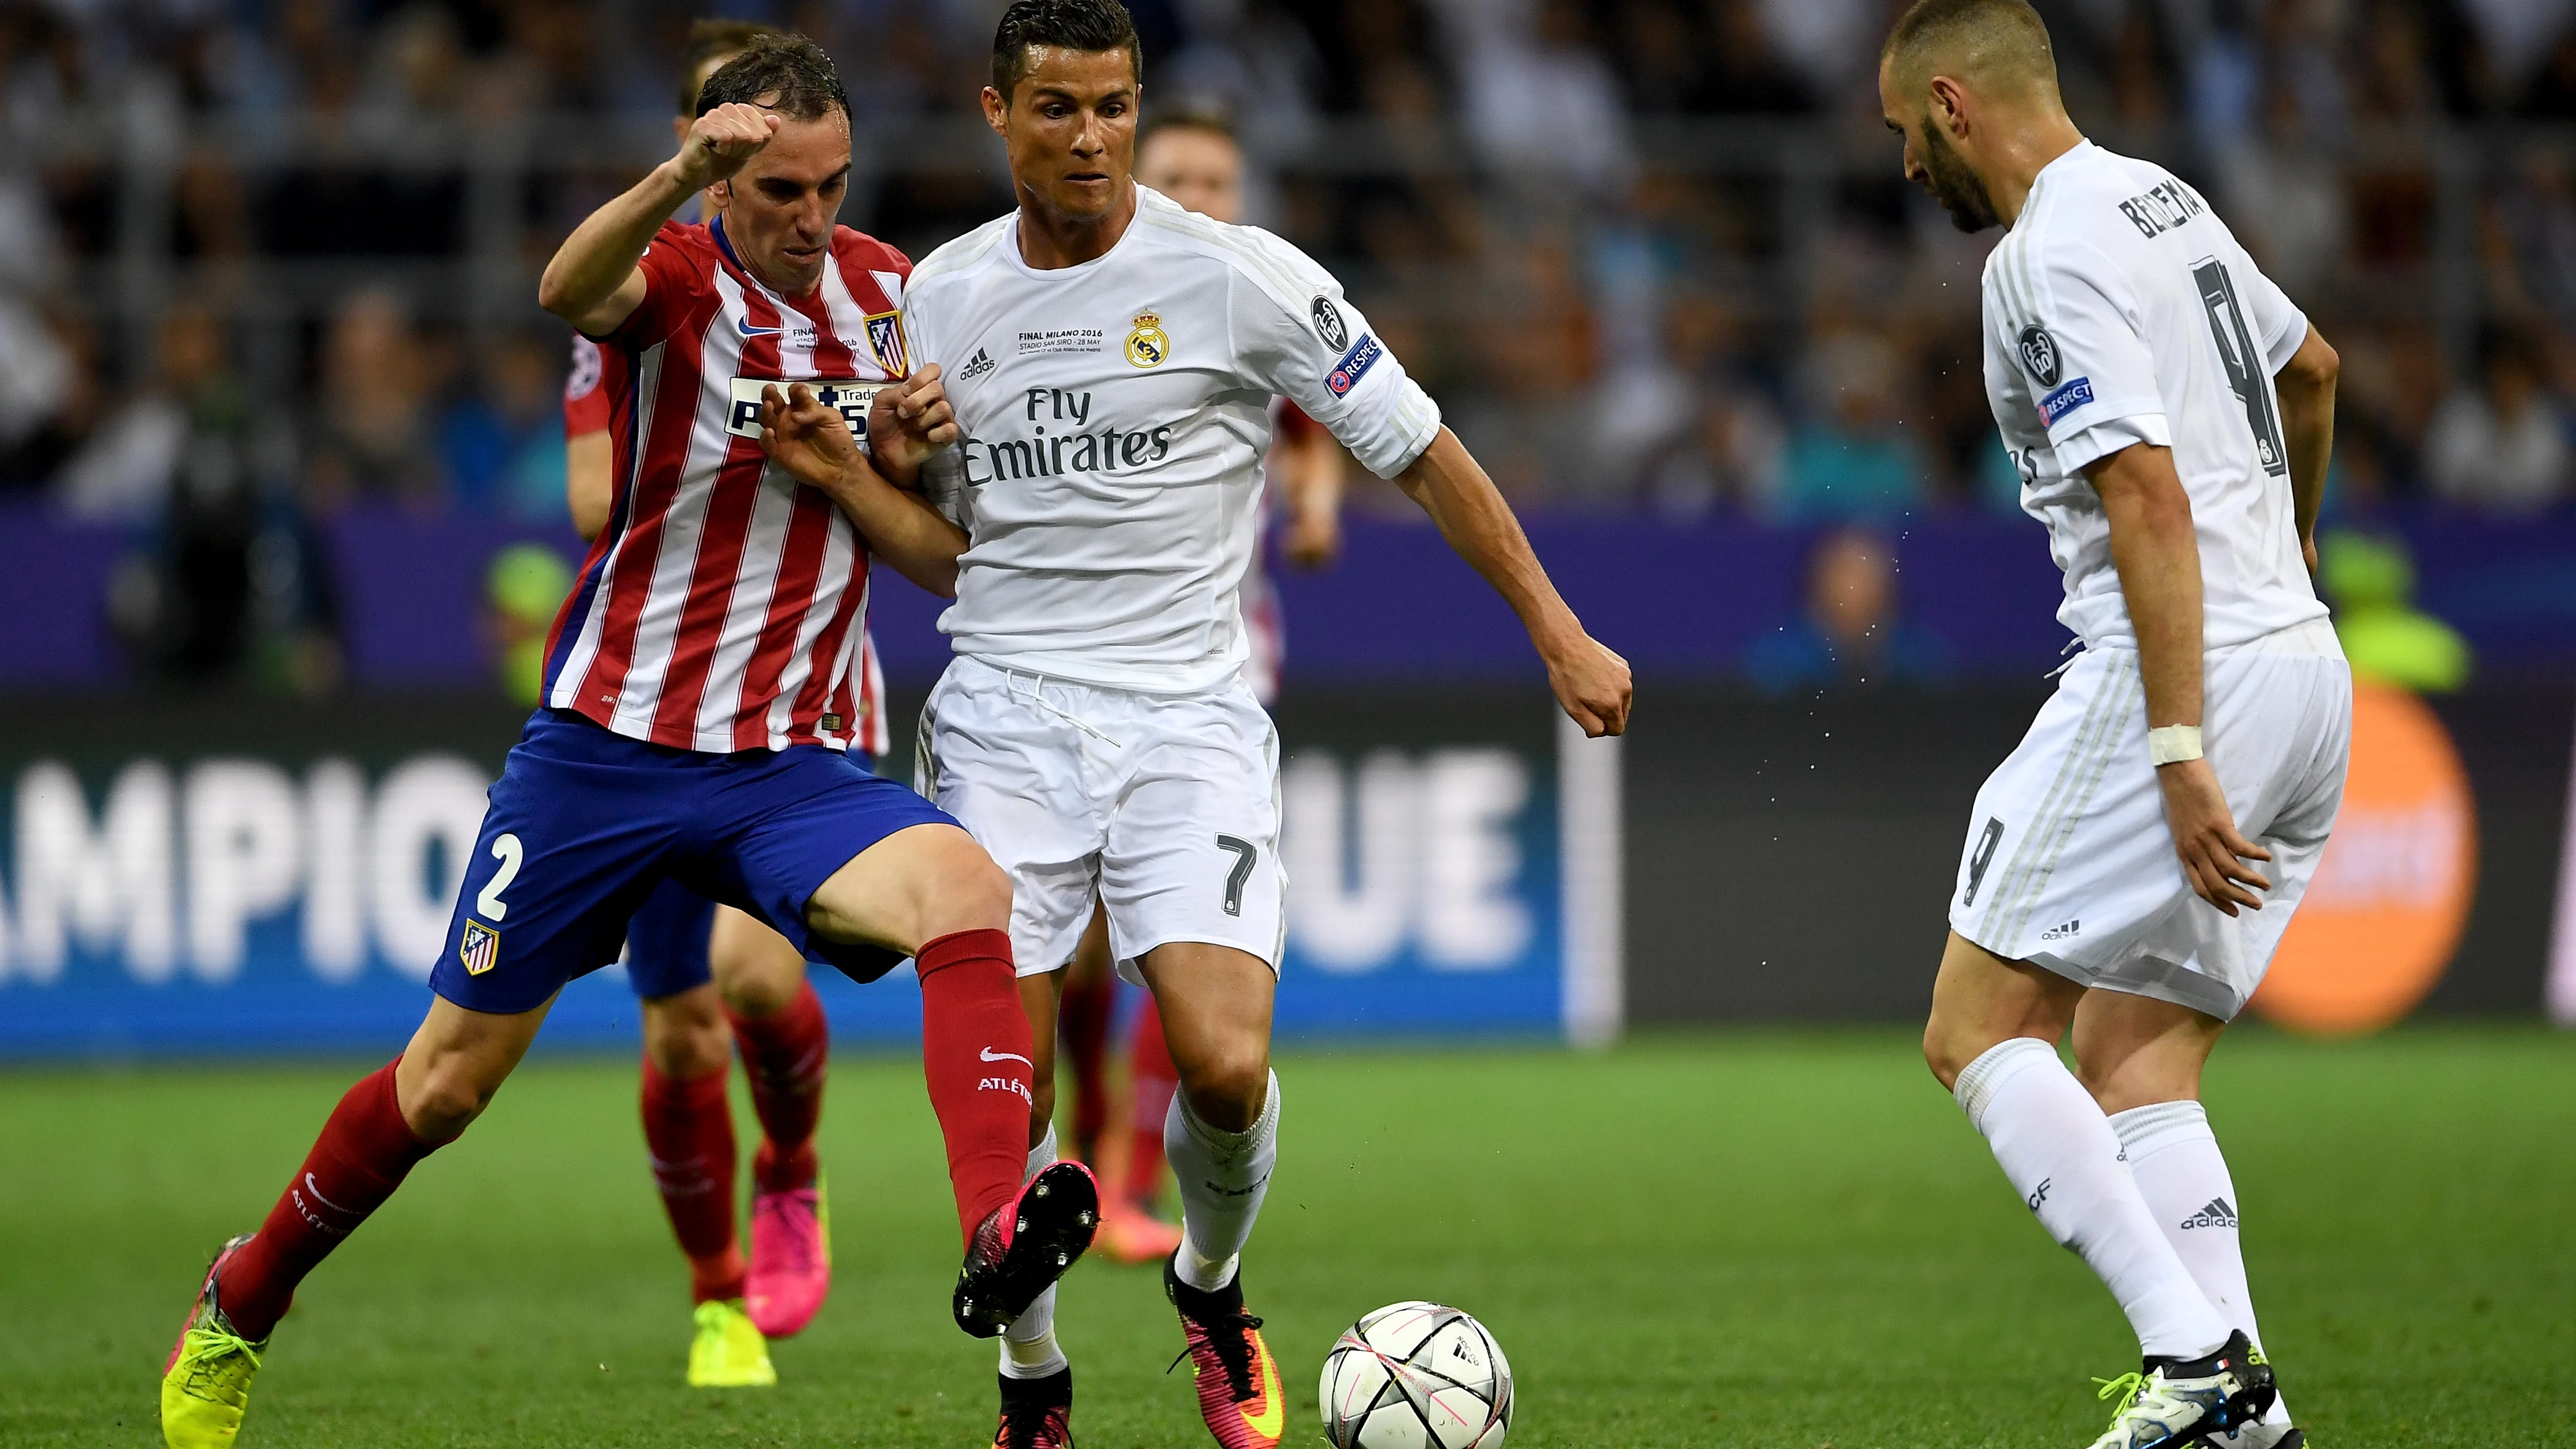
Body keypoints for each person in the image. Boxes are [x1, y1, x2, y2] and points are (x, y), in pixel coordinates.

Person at [157, 37, 1098, 1449]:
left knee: (970, 893)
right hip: (604, 751)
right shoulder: (677, 280)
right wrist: (677, 179)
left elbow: (947, 549)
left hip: (784, 761)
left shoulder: (898, 300)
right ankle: (242, 1296)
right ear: (725, 176)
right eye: (780, 187)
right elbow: (563, 290)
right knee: (446, 1086)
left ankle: (991, 1235)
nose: (810, 216)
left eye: (832, 184)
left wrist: (905, 451)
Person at [755, 6, 1632, 1446]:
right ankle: (1032, 1377)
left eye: (1112, 106)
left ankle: (1211, 1287)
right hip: (1005, 720)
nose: (1089, 137)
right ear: (999, 113)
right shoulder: (941, 301)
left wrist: (1555, 622)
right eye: (1058, 110)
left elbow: (1419, 448)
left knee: (1225, 1065)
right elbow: (948, 556)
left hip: (1189, 721)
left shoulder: (1241, 280)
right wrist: (872, 473)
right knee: (1012, 1076)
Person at [1879, 2, 2347, 1446]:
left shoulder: (2042, 255)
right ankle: (2246, 1408)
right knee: (2139, 1051)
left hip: (2186, 677)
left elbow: (2143, 493)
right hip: (2306, 666)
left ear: (1955, 105)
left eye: (1906, 134)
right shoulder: (2167, 198)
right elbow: (2315, 368)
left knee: (1971, 1029)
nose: (1907, 170)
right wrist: (2295, 561)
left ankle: (2194, 1364)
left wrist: (2179, 742)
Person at [557, 18, 883, 1388]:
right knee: (677, 1014)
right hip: (655, 693)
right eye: (737, 162)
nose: (787, 200)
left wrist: (868, 456)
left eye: (815, 177)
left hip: (808, 694)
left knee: (757, 976)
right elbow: (590, 499)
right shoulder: (648, 302)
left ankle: (793, 1176)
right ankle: (715, 1302)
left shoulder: (874, 299)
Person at [1052, 105, 1351, 1268]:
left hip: (1214, 671)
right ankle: (1086, 1146)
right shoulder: (1071, 302)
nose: (1201, 196)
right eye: (1179, 174)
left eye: (1220, 178)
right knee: (1078, 945)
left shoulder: (1248, 296)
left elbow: (1313, 420)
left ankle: (1126, 1175)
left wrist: (1317, 509)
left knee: (1170, 935)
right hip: (1071, 675)